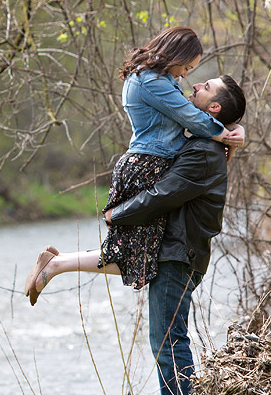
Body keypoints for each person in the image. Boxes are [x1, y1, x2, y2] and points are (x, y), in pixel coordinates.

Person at [22, 26, 242, 304]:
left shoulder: (156, 79)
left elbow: (204, 112)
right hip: (146, 168)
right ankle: (55, 265)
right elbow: (192, 117)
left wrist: (235, 128)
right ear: (174, 54)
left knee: (136, 255)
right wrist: (227, 135)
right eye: (186, 66)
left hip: (149, 164)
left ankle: (57, 263)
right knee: (132, 256)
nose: (186, 75)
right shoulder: (152, 82)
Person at [104, 76, 246, 395]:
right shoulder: (203, 141)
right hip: (177, 252)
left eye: (207, 86)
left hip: (179, 255)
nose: (196, 84)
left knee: (168, 341)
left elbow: (164, 193)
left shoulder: (204, 151)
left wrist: (116, 214)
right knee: (168, 339)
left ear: (214, 107)